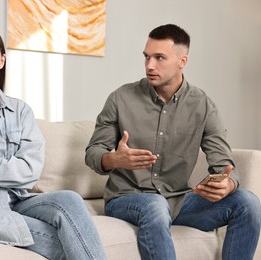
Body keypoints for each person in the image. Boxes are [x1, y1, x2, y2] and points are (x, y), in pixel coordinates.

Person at [85, 24, 261, 260]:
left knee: (248, 202)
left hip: (179, 201)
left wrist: (227, 184)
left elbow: (224, 165)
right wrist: (113, 159)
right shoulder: (120, 98)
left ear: (182, 61)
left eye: (159, 58)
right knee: (155, 205)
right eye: (147, 57)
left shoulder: (203, 106)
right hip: (126, 199)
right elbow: (93, 153)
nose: (149, 65)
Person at [0, 24, 106, 260]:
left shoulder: (20, 110)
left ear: (1, 61)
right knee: (71, 245)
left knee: (70, 198)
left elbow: (29, 171)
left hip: (19, 199)